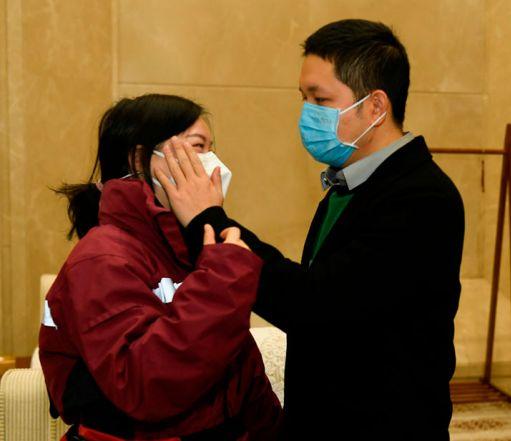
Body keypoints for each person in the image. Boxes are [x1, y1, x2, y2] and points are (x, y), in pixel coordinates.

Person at [154, 20, 465, 440]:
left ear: (376, 107)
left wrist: (209, 220)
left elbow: (316, 304)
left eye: (321, 99)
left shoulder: (421, 198)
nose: (307, 113)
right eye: (304, 98)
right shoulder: (348, 184)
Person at [39, 94, 283, 441]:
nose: (212, 165)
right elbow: (144, 383)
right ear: (140, 159)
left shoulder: (186, 244)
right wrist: (223, 276)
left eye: (211, 149)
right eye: (197, 148)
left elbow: (239, 368)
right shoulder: (101, 259)